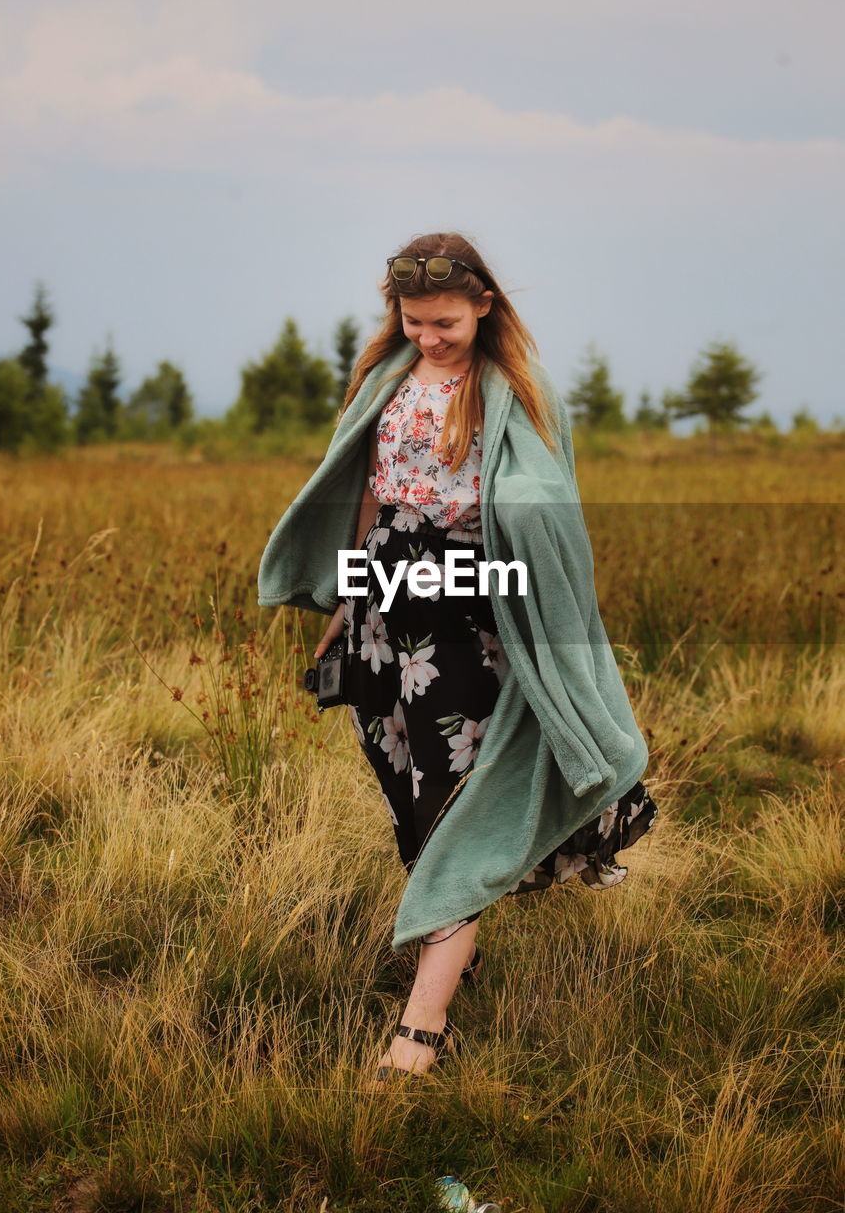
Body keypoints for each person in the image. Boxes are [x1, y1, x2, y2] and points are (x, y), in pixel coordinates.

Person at [258, 231, 658, 1087]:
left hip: (474, 613)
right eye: (413, 321)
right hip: (384, 606)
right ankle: (453, 938)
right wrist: (345, 596)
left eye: (444, 321)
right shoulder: (383, 378)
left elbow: (548, 512)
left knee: (454, 802)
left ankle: (423, 1022)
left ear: (483, 305)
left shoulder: (516, 387)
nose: (429, 337)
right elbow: (369, 491)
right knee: (403, 781)